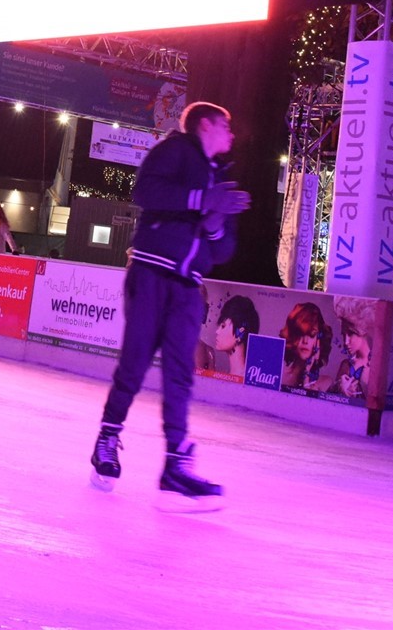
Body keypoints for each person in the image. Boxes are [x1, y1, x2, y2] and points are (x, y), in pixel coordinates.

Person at [90, 101, 249, 512]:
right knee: (135, 362)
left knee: (180, 374)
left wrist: (215, 224)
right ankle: (107, 438)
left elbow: (224, 250)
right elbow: (146, 191)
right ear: (206, 125)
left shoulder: (222, 180)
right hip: (150, 272)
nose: (232, 135)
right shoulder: (175, 150)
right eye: (226, 126)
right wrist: (200, 199)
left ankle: (175, 467)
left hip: (188, 287)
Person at [196, 294, 260, 378]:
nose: (217, 331)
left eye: (223, 326)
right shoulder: (232, 375)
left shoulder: (246, 379)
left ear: (241, 331)